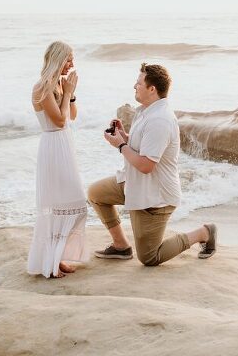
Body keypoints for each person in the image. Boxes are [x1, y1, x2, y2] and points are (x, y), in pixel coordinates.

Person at [88, 62, 217, 266]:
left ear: (152, 89)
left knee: (150, 257)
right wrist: (125, 137)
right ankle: (121, 246)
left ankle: (204, 232)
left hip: (156, 197)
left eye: (138, 83)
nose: (134, 86)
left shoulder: (160, 120)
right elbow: (145, 148)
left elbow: (146, 165)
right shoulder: (147, 111)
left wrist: (121, 145)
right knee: (96, 193)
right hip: (134, 183)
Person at [27, 41, 88, 278]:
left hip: (64, 144)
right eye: (68, 59)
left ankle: (58, 257)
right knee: (55, 204)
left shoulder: (60, 86)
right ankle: (50, 263)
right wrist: (69, 92)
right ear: (57, 59)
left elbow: (71, 114)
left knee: (74, 203)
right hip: (52, 145)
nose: (72, 64)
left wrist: (69, 94)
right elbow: (59, 121)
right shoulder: (41, 87)